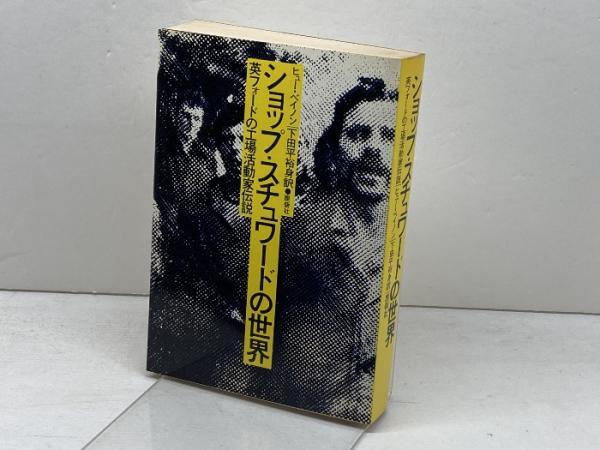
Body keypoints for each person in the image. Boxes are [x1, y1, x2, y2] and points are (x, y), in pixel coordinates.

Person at [276, 77, 398, 422]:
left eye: (389, 136)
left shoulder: (401, 234)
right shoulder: (301, 230)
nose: (373, 149)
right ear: (336, 146)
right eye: (358, 134)